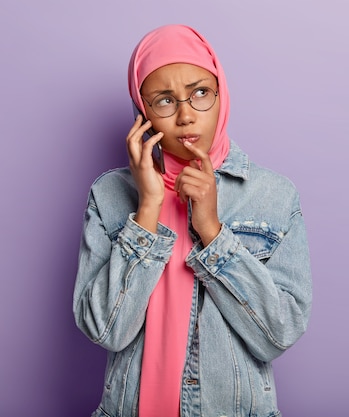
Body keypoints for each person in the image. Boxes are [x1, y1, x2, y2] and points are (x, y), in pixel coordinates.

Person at [73, 24, 313, 417]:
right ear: (142, 112)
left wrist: (213, 232)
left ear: (221, 94)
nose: (186, 116)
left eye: (201, 92)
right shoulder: (109, 195)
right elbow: (105, 330)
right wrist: (148, 206)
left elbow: (278, 333)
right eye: (164, 101)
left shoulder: (274, 196)